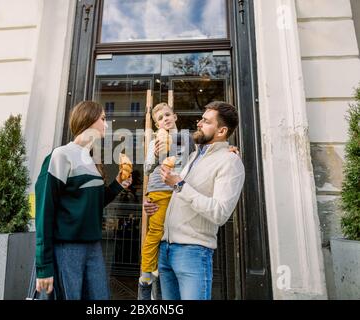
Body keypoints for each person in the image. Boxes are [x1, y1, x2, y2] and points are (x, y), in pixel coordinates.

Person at [144, 101, 245, 300]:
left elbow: (220, 213)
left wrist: (179, 185)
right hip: (165, 249)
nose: (198, 123)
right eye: (201, 119)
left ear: (222, 130)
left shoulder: (230, 161)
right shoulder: (193, 156)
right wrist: (152, 206)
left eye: (206, 121)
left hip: (192, 253)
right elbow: (179, 194)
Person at [35, 101, 132, 300]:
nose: (106, 124)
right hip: (67, 249)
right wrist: (43, 266)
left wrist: (117, 184)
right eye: (103, 119)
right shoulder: (60, 155)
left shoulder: (91, 159)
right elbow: (44, 212)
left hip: (94, 247)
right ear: (88, 119)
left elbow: (92, 204)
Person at [138, 102, 194, 300]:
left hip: (180, 191)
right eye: (160, 118)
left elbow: (200, 157)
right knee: (156, 232)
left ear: (175, 116)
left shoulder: (187, 138)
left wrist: (228, 148)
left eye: (168, 115)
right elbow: (146, 170)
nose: (165, 119)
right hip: (160, 190)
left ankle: (174, 279)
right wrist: (154, 155)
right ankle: (146, 276)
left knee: (178, 233)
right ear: (156, 125)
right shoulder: (156, 142)